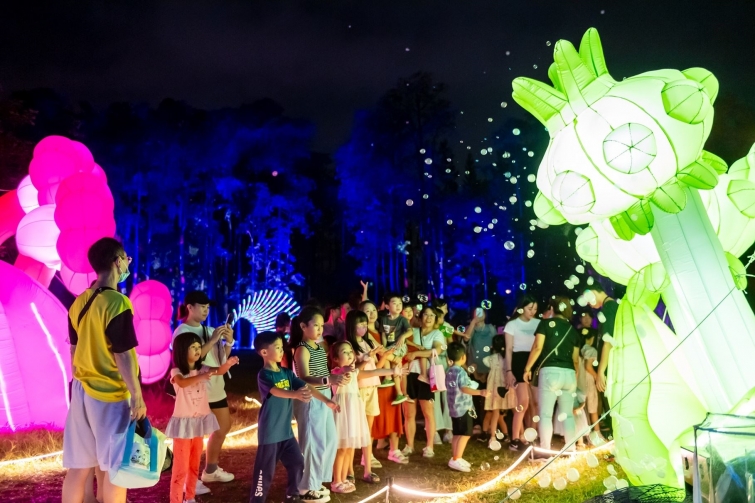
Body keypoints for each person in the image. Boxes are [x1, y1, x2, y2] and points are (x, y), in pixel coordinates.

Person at [62, 237, 145, 503]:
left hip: (82, 391)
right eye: (126, 259)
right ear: (117, 262)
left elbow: (74, 351)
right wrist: (137, 396)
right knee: (115, 469)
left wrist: (79, 385)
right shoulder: (117, 303)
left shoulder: (78, 303)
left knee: (79, 468)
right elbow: (123, 354)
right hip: (110, 394)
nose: (127, 264)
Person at [251, 331, 334, 503]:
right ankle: (257, 500)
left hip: (286, 433)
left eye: (282, 347)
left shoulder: (287, 373)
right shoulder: (264, 375)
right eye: (277, 347)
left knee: (297, 462)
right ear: (264, 352)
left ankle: (292, 495)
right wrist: (294, 394)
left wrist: (326, 400)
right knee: (264, 472)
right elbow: (275, 391)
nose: (282, 350)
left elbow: (306, 386)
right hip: (270, 433)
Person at [172, 291, 236, 495]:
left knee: (224, 426)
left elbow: (219, 359)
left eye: (208, 307)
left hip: (216, 386)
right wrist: (213, 339)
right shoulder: (182, 332)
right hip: (198, 391)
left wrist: (228, 342)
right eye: (202, 307)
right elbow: (191, 360)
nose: (206, 311)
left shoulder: (209, 330)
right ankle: (190, 480)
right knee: (194, 437)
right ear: (189, 307)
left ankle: (210, 470)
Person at [168, 333, 239, 503]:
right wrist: (201, 376)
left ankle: (190, 497)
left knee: (194, 463)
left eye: (199, 347)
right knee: (180, 467)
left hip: (198, 423)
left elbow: (219, 371)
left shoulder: (203, 368)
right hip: (184, 426)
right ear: (181, 350)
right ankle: (175, 499)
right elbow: (182, 383)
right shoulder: (177, 371)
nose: (197, 350)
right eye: (193, 347)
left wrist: (228, 363)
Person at [328, 341, 404, 492]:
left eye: (351, 351)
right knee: (341, 449)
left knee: (349, 448)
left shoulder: (355, 373)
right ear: (335, 358)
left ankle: (344, 479)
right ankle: (336, 481)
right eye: (345, 352)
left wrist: (393, 370)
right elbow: (340, 372)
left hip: (353, 413)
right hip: (343, 414)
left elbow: (374, 373)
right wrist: (346, 369)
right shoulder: (336, 372)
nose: (350, 354)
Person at [291, 306, 347, 502]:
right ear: (303, 326)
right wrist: (327, 380)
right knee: (312, 444)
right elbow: (303, 378)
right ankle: (306, 487)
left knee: (329, 440)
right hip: (309, 399)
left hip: (322, 396)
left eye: (322, 326)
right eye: (316, 325)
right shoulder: (301, 349)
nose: (320, 330)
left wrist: (332, 384)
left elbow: (323, 374)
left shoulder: (318, 347)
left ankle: (316, 481)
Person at [523, 295, 580, 453]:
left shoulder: (545, 324)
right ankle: (571, 449)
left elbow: (537, 348)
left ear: (552, 308)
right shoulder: (573, 330)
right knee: (568, 415)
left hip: (550, 372)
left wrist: (527, 368)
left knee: (546, 415)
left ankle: (545, 450)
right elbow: (576, 360)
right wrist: (574, 378)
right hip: (569, 374)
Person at [361, 301, 410, 465]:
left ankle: (394, 450)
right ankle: (367, 455)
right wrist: (395, 358)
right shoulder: (364, 334)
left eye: (373, 310)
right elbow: (382, 353)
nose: (371, 313)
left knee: (393, 412)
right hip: (376, 378)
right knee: (373, 416)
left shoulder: (383, 329)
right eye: (367, 311)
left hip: (391, 375)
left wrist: (396, 358)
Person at [344, 309, 387, 475]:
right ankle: (349, 471)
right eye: (359, 324)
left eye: (365, 324)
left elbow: (376, 368)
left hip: (372, 388)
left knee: (367, 432)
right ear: (351, 326)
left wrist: (384, 356)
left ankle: (367, 469)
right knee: (354, 431)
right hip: (358, 390)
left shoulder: (368, 342)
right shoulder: (348, 346)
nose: (363, 327)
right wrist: (366, 358)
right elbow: (352, 371)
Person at [402, 307, 446, 459]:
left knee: (428, 412)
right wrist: (419, 353)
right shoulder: (413, 332)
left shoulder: (437, 334)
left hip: (426, 376)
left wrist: (416, 353)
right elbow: (403, 347)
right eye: (425, 314)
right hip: (409, 373)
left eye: (432, 315)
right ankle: (409, 445)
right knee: (409, 413)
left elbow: (436, 351)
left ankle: (429, 446)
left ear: (435, 318)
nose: (428, 317)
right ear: (420, 317)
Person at [503, 295, 540, 451]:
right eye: (529, 308)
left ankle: (531, 437)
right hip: (518, 361)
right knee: (523, 402)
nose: (532, 312)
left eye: (535, 309)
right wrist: (509, 370)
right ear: (521, 308)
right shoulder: (512, 325)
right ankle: (515, 439)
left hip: (534, 361)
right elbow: (509, 349)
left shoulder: (538, 323)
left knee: (536, 403)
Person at [445, 342, 487, 472]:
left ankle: (455, 457)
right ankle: (456, 459)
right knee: (466, 434)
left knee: (457, 433)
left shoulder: (449, 371)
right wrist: (480, 392)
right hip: (463, 408)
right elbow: (464, 388)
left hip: (453, 408)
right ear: (463, 357)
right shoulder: (461, 372)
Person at [462, 307, 497, 442]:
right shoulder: (470, 329)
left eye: (481, 312)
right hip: (473, 368)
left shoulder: (490, 329)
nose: (478, 314)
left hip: (489, 369)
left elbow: (495, 347)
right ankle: (476, 424)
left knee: (488, 398)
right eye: (476, 312)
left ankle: (487, 425)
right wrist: (472, 323)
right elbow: (466, 341)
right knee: (475, 398)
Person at [376, 294, 412, 405]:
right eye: (395, 303)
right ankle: (399, 393)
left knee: (387, 356)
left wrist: (403, 336)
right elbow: (383, 335)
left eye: (400, 303)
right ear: (387, 306)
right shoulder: (384, 319)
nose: (398, 306)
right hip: (390, 347)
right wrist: (384, 346)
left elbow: (410, 331)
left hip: (400, 346)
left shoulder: (402, 319)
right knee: (393, 365)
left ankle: (388, 377)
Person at [588, 283, 619, 399]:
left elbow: (608, 342)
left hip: (610, 368)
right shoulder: (612, 306)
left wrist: (601, 371)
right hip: (613, 364)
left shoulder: (609, 308)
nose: (588, 304)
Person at [432, 306, 454, 445]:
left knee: (448, 396)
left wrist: (451, 361)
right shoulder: (424, 329)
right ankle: (434, 430)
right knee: (434, 398)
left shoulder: (445, 327)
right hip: (432, 363)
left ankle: (448, 429)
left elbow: (450, 343)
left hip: (445, 362)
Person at [483, 334, 509, 448]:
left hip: (493, 389)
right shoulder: (507, 359)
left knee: (495, 414)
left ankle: (492, 437)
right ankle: (514, 436)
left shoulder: (489, 359)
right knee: (502, 415)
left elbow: (484, 361)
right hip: (505, 389)